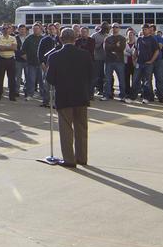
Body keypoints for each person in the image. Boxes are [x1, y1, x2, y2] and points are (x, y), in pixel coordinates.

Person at [44, 28, 94, 167]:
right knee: (81, 128)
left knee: (66, 129)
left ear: (61, 39)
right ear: (75, 39)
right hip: (81, 95)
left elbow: (50, 79)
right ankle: (82, 157)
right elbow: (92, 74)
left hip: (64, 96)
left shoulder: (54, 56)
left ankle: (69, 159)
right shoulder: (85, 54)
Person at [134, 24, 161, 105]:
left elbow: (157, 51)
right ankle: (132, 97)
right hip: (139, 63)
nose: (144, 31)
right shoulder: (139, 39)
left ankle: (146, 98)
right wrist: (134, 59)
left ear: (149, 30)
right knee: (136, 80)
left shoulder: (152, 39)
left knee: (147, 81)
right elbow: (136, 50)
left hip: (148, 64)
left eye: (145, 29)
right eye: (142, 29)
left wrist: (151, 60)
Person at [103, 24, 128, 101]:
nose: (114, 28)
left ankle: (122, 96)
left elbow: (121, 48)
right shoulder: (107, 38)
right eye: (113, 27)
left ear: (119, 28)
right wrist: (115, 45)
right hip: (109, 61)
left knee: (121, 79)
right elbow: (106, 48)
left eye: (116, 27)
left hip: (119, 61)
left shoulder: (122, 38)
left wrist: (112, 47)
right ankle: (107, 95)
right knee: (107, 79)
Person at [37, 24, 60, 107]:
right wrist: (42, 63)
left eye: (53, 29)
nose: (51, 31)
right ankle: (45, 101)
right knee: (46, 84)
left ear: (56, 30)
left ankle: (56, 102)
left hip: (58, 65)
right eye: (50, 29)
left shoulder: (60, 39)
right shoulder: (44, 40)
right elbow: (40, 53)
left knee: (57, 86)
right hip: (47, 64)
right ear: (47, 30)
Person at [0, 22, 19, 101]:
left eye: (7, 28)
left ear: (10, 29)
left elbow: (15, 48)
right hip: (1, 59)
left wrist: (5, 47)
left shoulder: (13, 38)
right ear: (1, 30)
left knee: (12, 79)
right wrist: (10, 47)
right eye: (4, 28)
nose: (5, 30)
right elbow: (0, 48)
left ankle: (12, 96)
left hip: (11, 59)